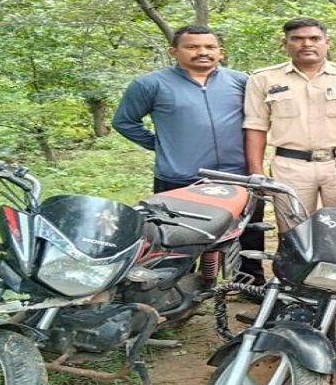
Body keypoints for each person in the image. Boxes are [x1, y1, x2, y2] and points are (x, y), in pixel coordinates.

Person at [113, 24, 265, 283]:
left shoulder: (240, 81)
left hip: (238, 175)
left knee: (248, 231)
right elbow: (125, 122)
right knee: (179, 236)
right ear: (174, 51)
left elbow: (258, 120)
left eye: (209, 47)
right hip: (180, 177)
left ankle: (250, 282)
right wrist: (161, 144)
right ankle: (179, 289)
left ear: (220, 51)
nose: (202, 52)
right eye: (192, 47)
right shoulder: (150, 84)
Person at [243, 17, 336, 230]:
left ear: (327, 42)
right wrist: (257, 172)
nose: (306, 44)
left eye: (315, 38)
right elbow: (255, 127)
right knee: (294, 231)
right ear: (285, 43)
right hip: (290, 167)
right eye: (297, 39)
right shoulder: (263, 79)